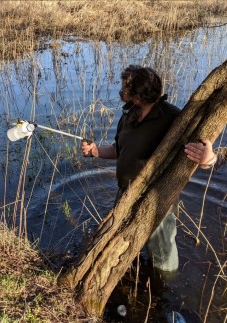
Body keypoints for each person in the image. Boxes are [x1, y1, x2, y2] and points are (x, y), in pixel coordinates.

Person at [81, 66, 217, 273]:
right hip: (125, 193)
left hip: (156, 200)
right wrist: (95, 151)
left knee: (163, 256)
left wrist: (209, 158)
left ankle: (165, 284)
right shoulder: (129, 115)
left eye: (125, 87)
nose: (121, 91)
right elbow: (119, 149)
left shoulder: (172, 117)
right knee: (122, 243)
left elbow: (200, 151)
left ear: (140, 93)